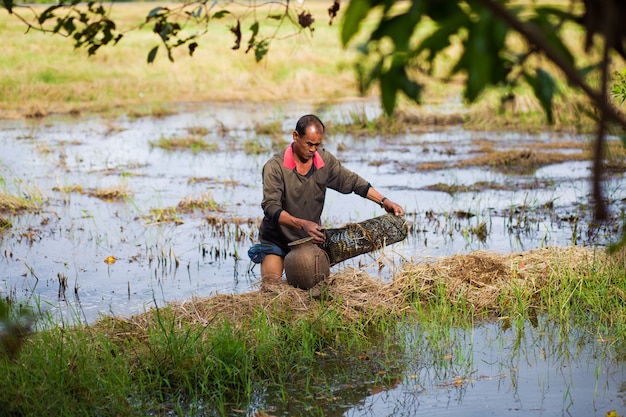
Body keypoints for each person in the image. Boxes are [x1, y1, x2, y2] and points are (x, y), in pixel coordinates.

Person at [248, 114, 404, 281]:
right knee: (272, 288)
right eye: (309, 144)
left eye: (317, 145)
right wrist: (302, 224)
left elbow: (353, 182)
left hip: (309, 241)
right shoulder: (275, 167)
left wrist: (384, 201)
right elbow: (271, 207)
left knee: (311, 290)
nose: (313, 150)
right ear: (295, 136)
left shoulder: (324, 161)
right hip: (276, 239)